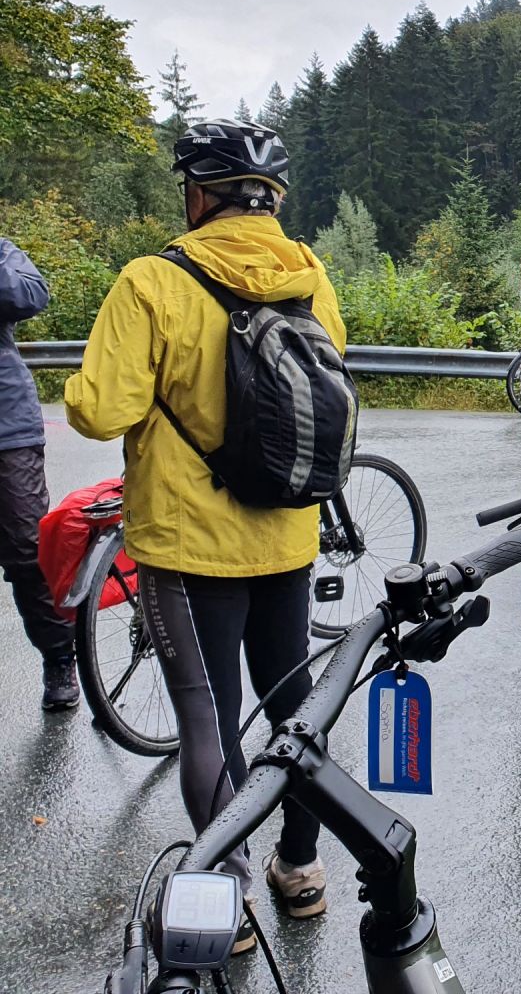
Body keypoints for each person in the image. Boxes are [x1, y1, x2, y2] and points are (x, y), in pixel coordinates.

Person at [64, 119, 342, 952]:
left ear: (196, 194)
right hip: (290, 535)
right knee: (294, 705)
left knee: (208, 720)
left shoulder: (152, 280)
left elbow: (101, 406)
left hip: (188, 549)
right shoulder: (309, 272)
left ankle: (231, 894)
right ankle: (302, 870)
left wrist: (87, 383)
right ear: (272, 199)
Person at [1, 238, 77, 710]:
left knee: (27, 553)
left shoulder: (2, 252)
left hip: (6, 427)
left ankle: (59, 657)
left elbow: (31, 294)